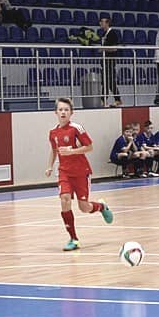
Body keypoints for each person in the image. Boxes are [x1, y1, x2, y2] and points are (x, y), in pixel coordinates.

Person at [45, 97, 114, 251]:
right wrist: (49, 166)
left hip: (81, 172)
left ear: (71, 113)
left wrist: (72, 151)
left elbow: (89, 147)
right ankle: (73, 239)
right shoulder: (53, 133)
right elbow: (54, 150)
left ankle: (101, 207)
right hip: (64, 172)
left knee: (84, 207)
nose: (63, 112)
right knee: (65, 199)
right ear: (56, 112)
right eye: (60, 109)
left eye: (66, 110)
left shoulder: (76, 128)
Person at [99, 16, 122, 107]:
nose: (100, 23)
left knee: (108, 81)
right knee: (108, 81)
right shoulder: (103, 34)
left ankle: (104, 100)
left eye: (102, 21)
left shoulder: (112, 33)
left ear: (107, 23)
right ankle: (115, 99)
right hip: (105, 60)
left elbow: (114, 48)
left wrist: (103, 49)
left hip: (110, 60)